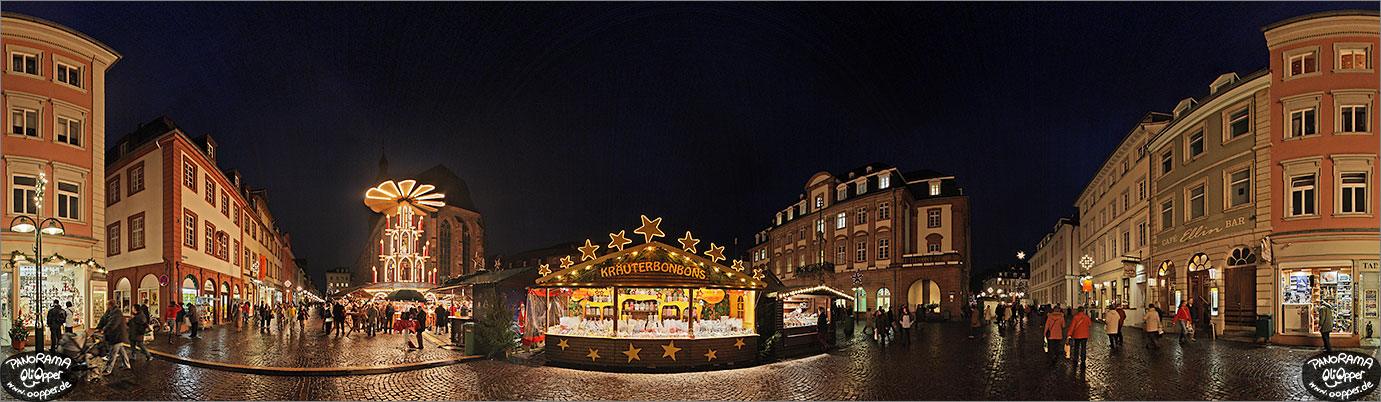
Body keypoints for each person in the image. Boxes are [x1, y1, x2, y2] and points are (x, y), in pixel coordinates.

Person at [98, 301, 131, 375]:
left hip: (117, 335)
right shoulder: (109, 311)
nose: (106, 305)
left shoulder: (117, 313)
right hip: (115, 335)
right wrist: (99, 327)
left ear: (110, 305)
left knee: (112, 353)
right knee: (121, 351)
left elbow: (113, 323)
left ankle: (108, 369)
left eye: (107, 304)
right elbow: (103, 319)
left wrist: (104, 330)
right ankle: (126, 365)